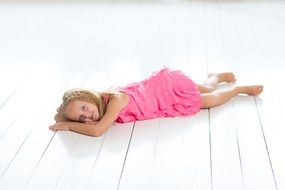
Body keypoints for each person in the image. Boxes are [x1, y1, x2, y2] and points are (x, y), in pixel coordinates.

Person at [49, 68, 263, 137]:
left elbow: (98, 132)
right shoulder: (102, 104)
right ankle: (216, 75)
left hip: (166, 89)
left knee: (207, 99)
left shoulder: (114, 101)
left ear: (89, 98)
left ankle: (237, 89)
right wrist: (65, 116)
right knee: (208, 88)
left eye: (85, 108)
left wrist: (69, 125)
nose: (88, 117)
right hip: (159, 87)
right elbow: (61, 115)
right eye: (81, 117)